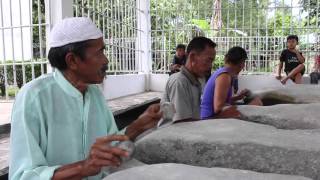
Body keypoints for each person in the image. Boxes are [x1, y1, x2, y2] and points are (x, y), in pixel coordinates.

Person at [9, 17, 162, 180]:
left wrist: (139, 125)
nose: (106, 60)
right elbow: (22, 176)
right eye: (100, 52)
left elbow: (109, 148)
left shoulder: (94, 94)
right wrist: (83, 168)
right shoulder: (34, 98)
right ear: (72, 60)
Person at [162, 37, 216, 122]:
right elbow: (181, 124)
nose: (210, 66)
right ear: (193, 57)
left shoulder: (196, 81)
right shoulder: (179, 82)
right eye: (208, 60)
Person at [200, 46, 263, 120]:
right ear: (241, 64)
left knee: (255, 104)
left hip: (212, 116)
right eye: (243, 63)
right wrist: (249, 107)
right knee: (257, 103)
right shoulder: (224, 76)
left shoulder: (224, 73)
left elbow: (222, 101)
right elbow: (218, 107)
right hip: (210, 119)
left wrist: (238, 97)